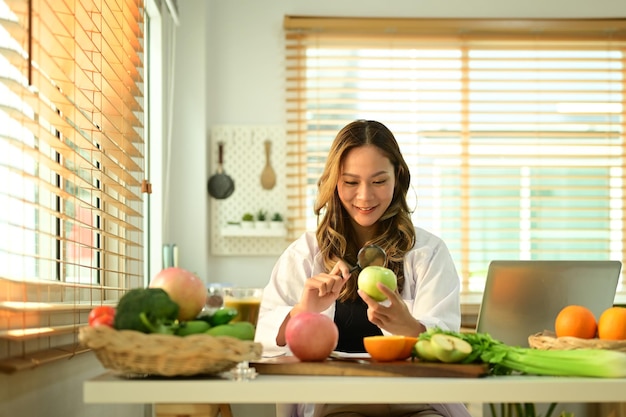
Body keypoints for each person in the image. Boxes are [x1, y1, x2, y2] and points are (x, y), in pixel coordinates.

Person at [255, 120, 471, 417]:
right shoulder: (304, 254)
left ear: (398, 179)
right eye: (351, 182)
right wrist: (301, 312)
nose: (365, 197)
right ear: (334, 182)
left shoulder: (428, 252)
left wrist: (409, 327)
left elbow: (449, 346)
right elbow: (263, 344)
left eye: (379, 181)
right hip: (336, 400)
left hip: (416, 400)